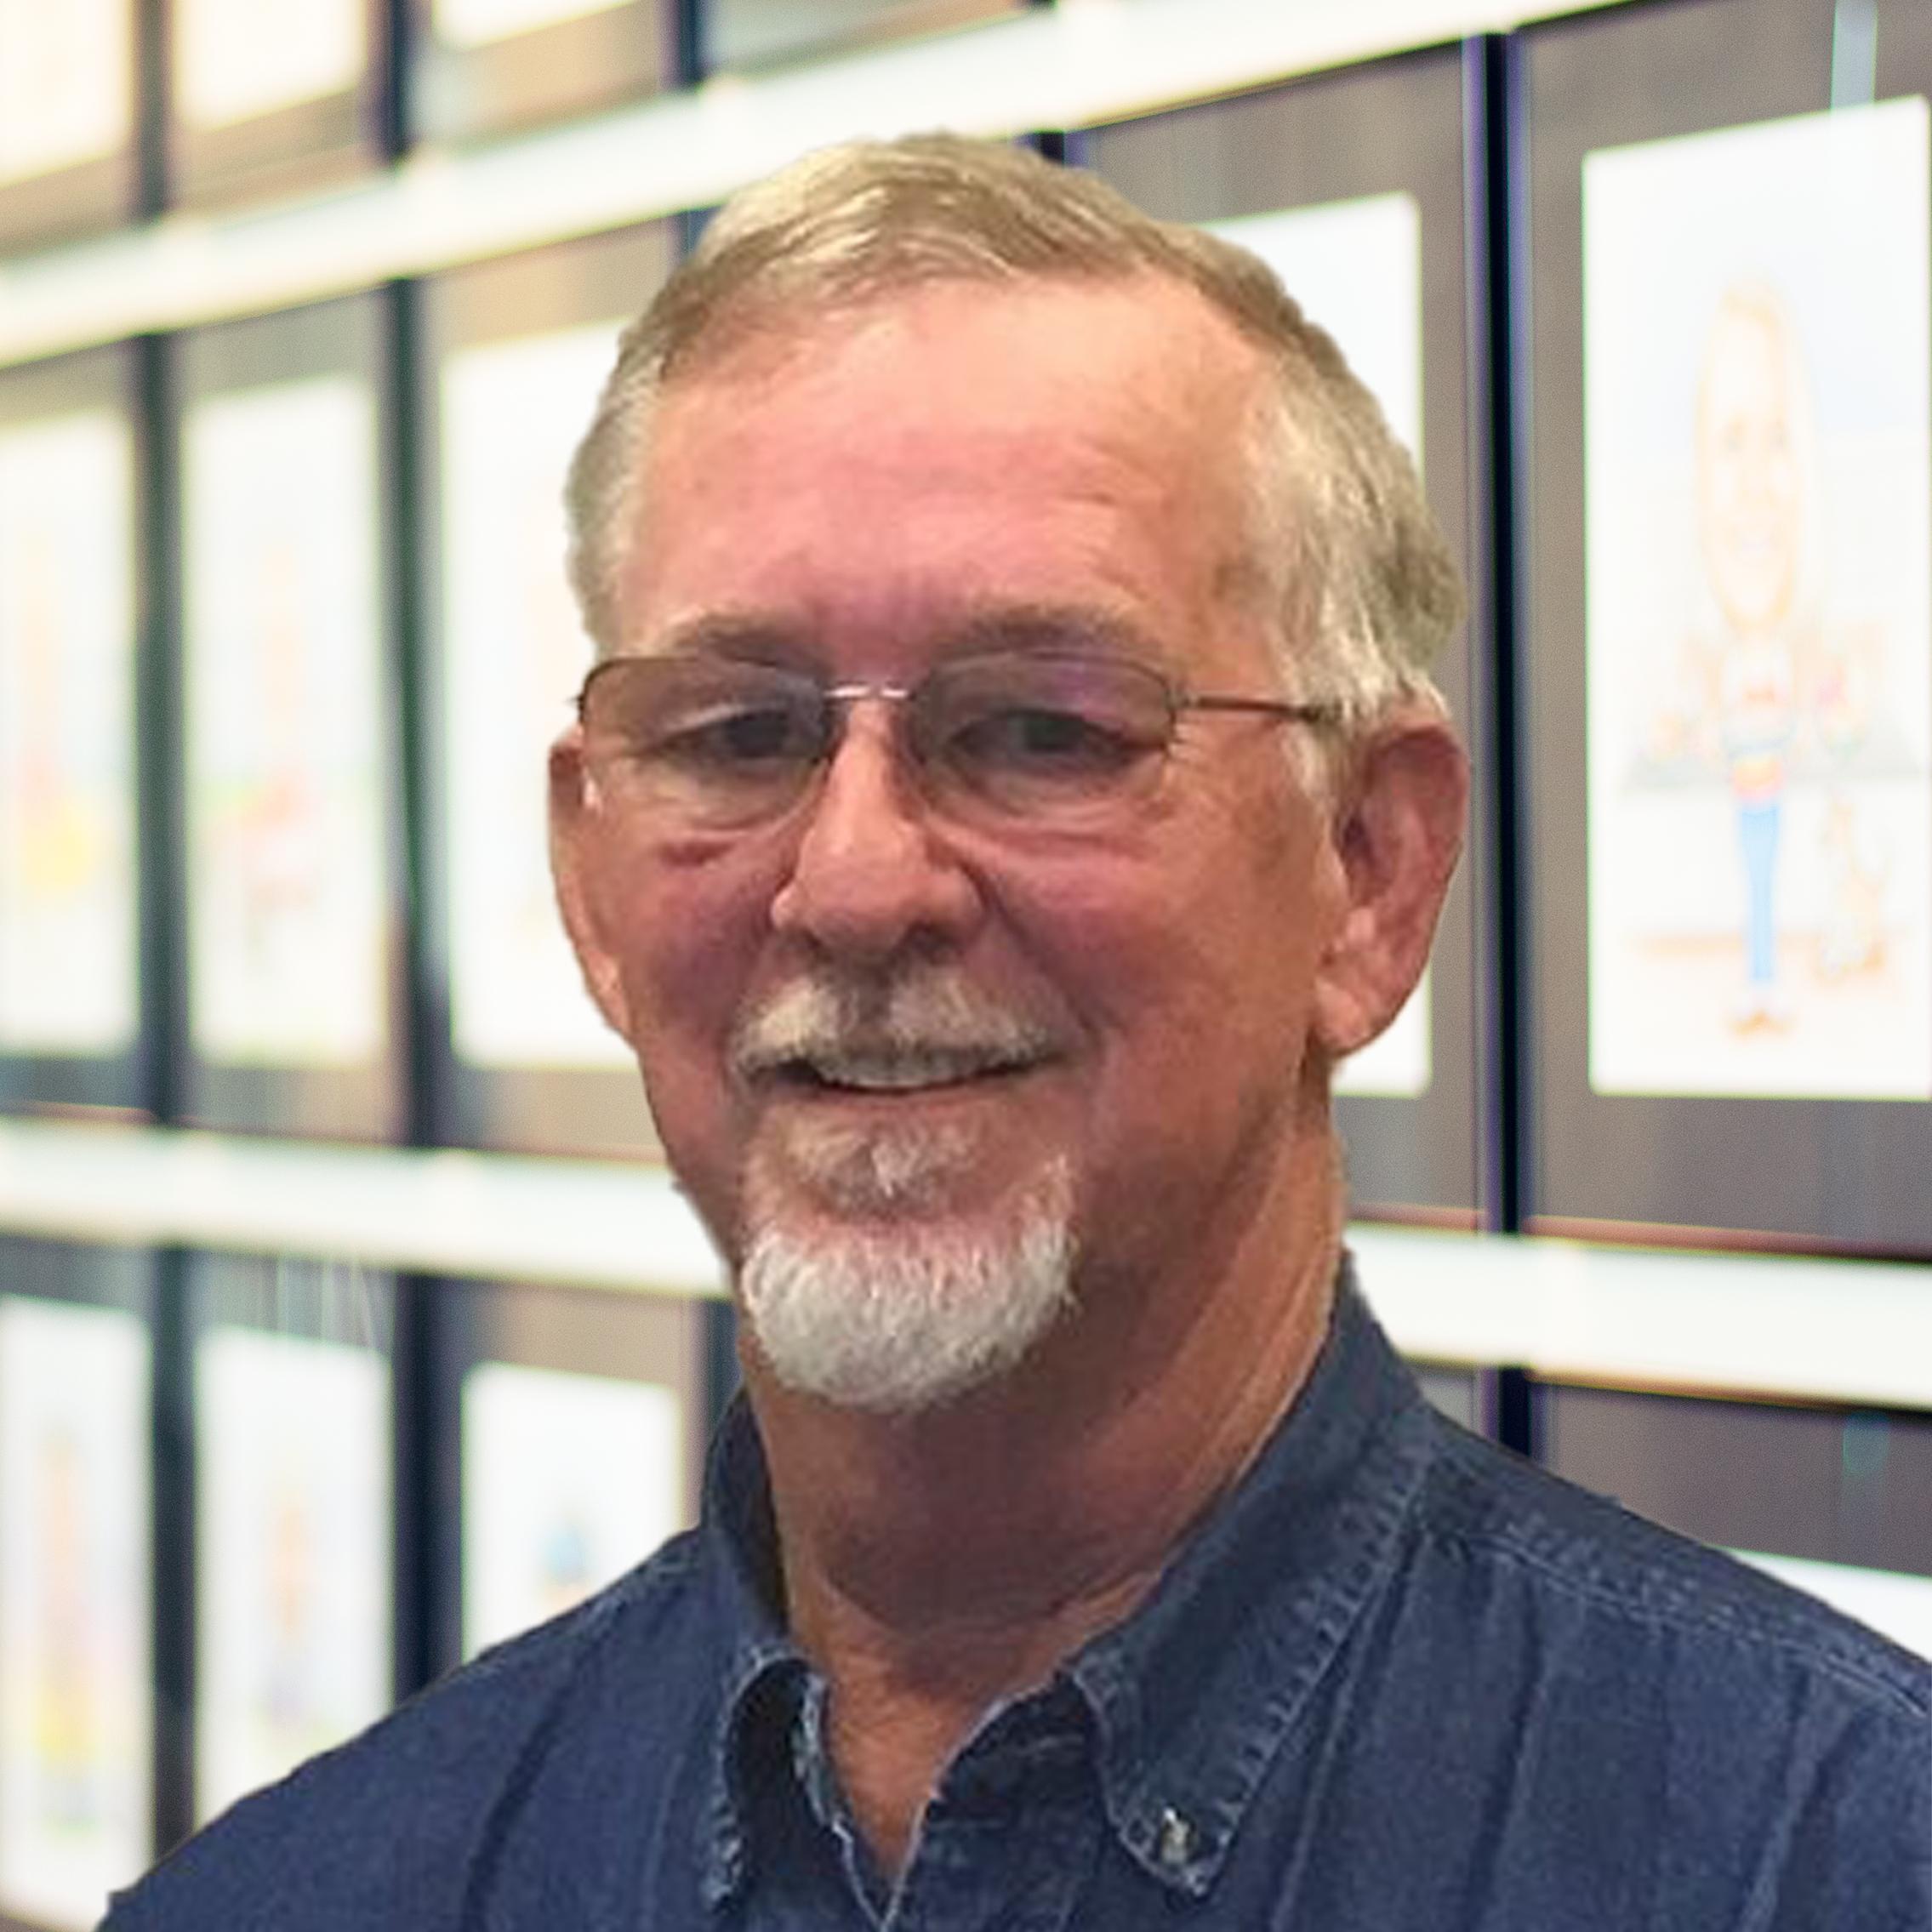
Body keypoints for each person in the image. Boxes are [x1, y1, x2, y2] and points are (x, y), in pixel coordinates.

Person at [105, 134, 1930, 1931]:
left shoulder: (1829, 1857)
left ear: (1367, 870)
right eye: (738, 731)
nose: (854, 879)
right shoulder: (309, 1892)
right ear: (590, 885)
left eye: (1043, 726)